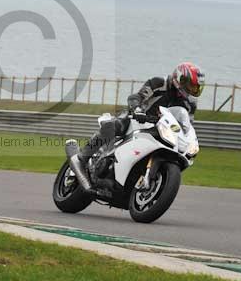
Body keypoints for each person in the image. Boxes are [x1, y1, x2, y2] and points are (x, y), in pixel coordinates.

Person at [68, 62, 205, 188]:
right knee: (115, 126)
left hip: (160, 129)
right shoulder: (160, 83)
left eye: (196, 88)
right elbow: (137, 96)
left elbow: (187, 124)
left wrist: (189, 141)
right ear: (179, 79)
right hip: (138, 118)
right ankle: (82, 158)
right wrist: (136, 108)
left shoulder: (189, 104)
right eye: (190, 86)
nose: (192, 90)